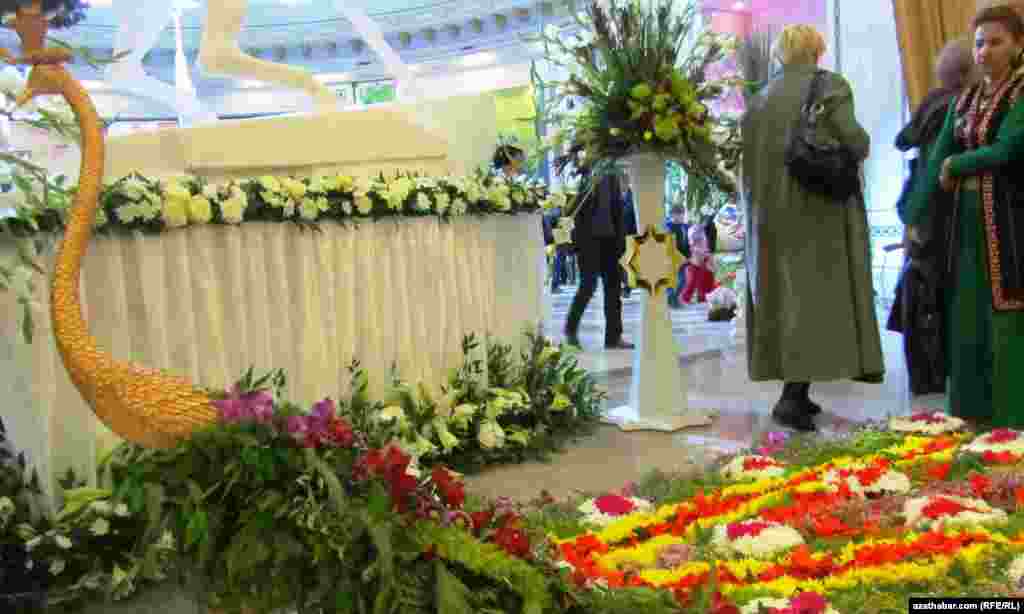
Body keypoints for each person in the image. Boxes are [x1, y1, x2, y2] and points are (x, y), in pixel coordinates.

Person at [740, 24, 884, 432]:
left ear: (780, 53)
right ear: (817, 50)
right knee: (813, 301)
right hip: (818, 214)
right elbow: (856, 141)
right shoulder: (830, 87)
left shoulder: (758, 98)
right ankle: (792, 398)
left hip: (767, 217)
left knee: (782, 300)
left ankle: (797, 392)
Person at [903, 5, 1024, 428]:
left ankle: (1013, 419)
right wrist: (914, 215)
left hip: (1010, 220)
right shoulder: (966, 99)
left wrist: (957, 165)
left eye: (996, 43)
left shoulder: (1020, 94)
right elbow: (937, 156)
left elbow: (1007, 149)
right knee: (966, 313)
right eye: (979, 44)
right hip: (965, 224)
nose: (985, 52)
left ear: (1018, 45)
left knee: (1005, 312)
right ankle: (971, 416)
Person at [887, 39, 977, 396]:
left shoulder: (932, 101)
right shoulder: (965, 105)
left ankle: (926, 374)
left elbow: (903, 140)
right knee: (945, 291)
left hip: (923, 208)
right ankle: (946, 369)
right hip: (952, 206)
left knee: (923, 289)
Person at [559, 158, 635, 350]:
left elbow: (618, 212)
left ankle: (613, 337)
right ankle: (570, 330)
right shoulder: (583, 177)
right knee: (588, 286)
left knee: (613, 289)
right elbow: (571, 210)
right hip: (589, 243)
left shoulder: (612, 176)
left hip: (611, 242)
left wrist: (622, 244)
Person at [679, 222, 717, 304]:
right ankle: (685, 300)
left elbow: (707, 250)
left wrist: (710, 261)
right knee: (691, 282)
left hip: (704, 262)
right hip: (694, 265)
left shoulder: (704, 239)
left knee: (707, 280)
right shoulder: (693, 242)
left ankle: (705, 298)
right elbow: (694, 249)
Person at [666, 205, 691, 308]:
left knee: (683, 281)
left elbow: (687, 242)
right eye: (678, 214)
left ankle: (673, 299)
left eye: (682, 214)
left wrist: (689, 256)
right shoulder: (668, 227)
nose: (681, 216)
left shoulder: (685, 227)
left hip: (684, 258)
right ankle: (672, 300)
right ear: (672, 215)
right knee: (673, 281)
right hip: (672, 258)